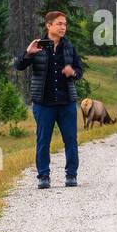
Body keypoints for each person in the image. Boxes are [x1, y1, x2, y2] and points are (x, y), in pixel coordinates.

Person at [15, 11, 84, 189]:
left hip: (66, 103)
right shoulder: (38, 46)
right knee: (43, 141)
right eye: (59, 24)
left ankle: (71, 175)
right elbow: (19, 66)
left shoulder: (69, 47)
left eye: (65, 24)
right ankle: (43, 177)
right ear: (49, 26)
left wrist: (73, 73)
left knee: (70, 140)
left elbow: (79, 71)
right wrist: (28, 54)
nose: (63, 27)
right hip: (43, 104)